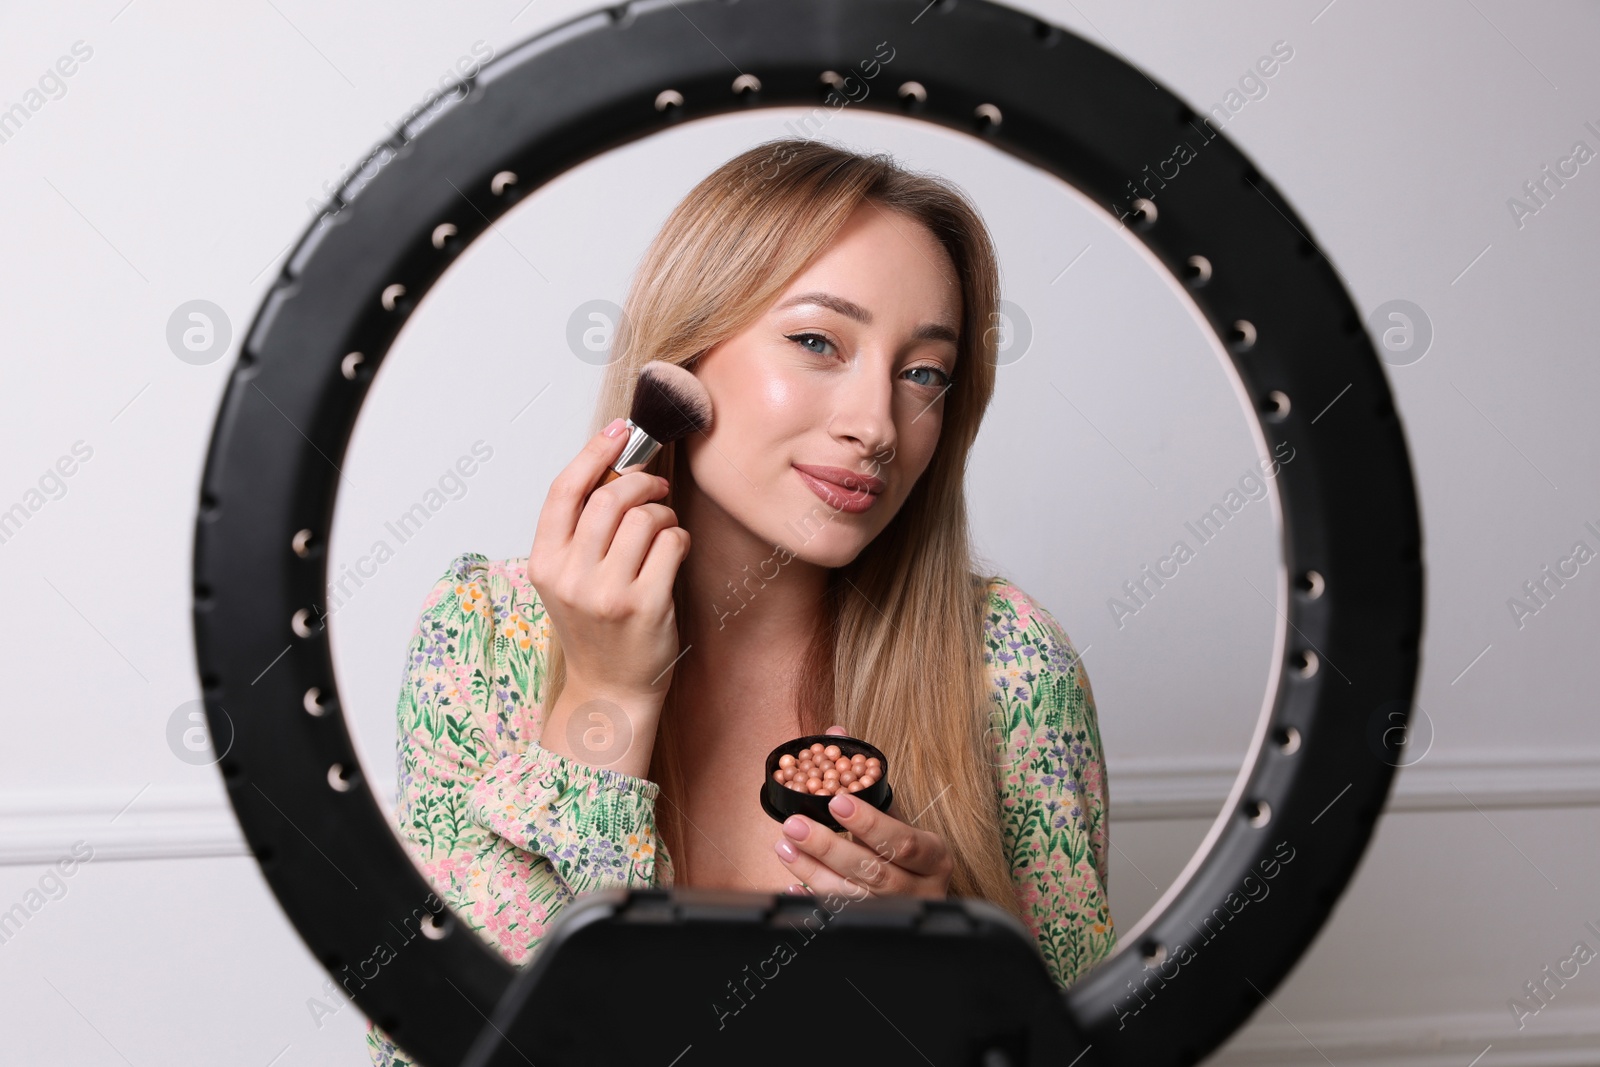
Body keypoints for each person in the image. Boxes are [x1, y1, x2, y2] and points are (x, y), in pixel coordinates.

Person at [366, 137, 1114, 1065]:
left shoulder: (1012, 666)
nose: (877, 425)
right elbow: (435, 1050)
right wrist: (601, 705)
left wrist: (942, 976)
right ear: (681, 360)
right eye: (816, 342)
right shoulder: (481, 637)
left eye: (922, 372)